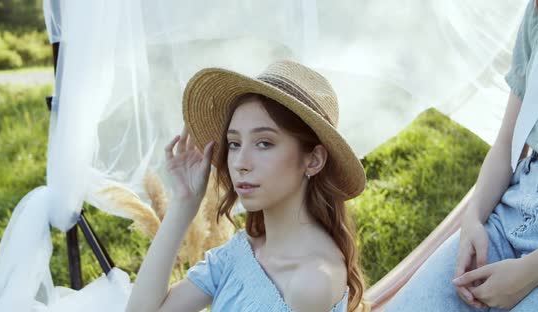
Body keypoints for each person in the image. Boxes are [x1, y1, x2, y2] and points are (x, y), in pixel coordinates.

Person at [125, 60, 369, 312]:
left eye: (264, 143)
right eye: (234, 144)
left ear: (314, 160)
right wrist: (183, 203)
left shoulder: (311, 282)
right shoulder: (242, 253)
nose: (240, 163)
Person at [385, 0, 538, 310]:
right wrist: (472, 222)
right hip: (516, 212)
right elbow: (507, 143)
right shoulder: (535, 14)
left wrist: (527, 272)